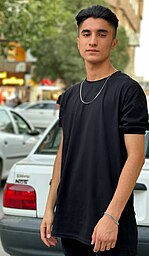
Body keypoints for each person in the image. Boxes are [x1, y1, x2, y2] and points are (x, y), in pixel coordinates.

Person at [40, 5, 148, 256]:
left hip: (109, 226)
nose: (93, 40)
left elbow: (136, 156)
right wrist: (49, 208)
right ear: (78, 41)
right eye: (86, 34)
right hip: (70, 222)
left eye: (102, 34)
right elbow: (63, 155)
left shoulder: (127, 91)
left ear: (114, 42)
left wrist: (111, 217)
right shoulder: (68, 97)